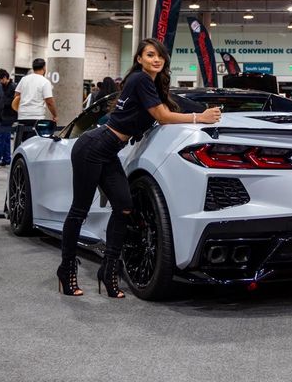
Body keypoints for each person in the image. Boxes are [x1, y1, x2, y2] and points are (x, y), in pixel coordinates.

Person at [57, 37, 221, 298]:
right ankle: (66, 270)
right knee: (79, 210)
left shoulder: (152, 85)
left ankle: (108, 270)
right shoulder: (140, 80)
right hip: (92, 147)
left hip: (109, 151)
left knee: (124, 207)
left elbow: (170, 105)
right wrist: (198, 117)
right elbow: (162, 116)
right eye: (149, 55)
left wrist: (210, 110)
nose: (156, 59)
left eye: (160, 55)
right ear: (139, 59)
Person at [12, 58, 58, 147]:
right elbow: (49, 101)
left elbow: (16, 96)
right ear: (44, 68)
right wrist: (55, 115)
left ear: (33, 68)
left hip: (22, 116)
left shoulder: (24, 79)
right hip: (36, 117)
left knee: (24, 144)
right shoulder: (45, 82)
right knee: (35, 145)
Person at [0, 69, 17, 166]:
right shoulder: (3, 86)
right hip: (3, 115)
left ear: (5, 78)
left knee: (0, 137)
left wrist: (3, 103)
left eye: (0, 79)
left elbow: (13, 102)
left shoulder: (13, 87)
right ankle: (6, 159)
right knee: (6, 138)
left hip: (9, 116)